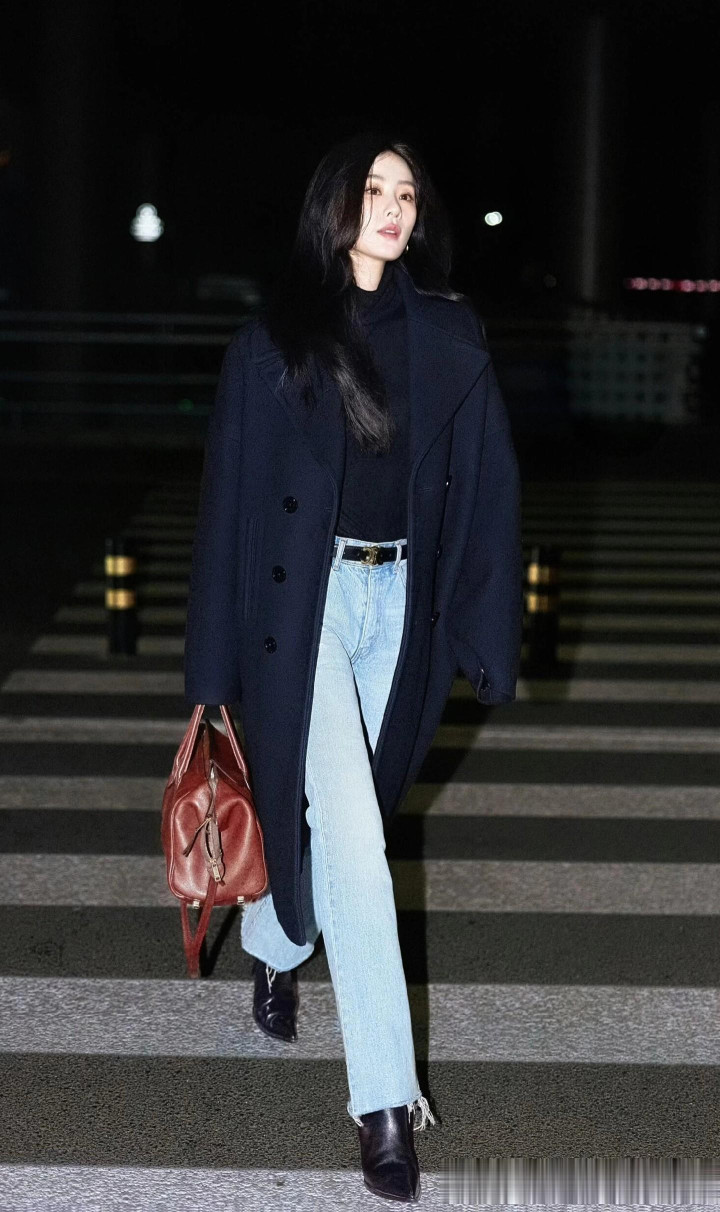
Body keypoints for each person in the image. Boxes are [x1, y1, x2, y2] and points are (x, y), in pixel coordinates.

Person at [183, 130, 524, 1204]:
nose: (392, 207)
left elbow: (489, 488)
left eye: (406, 193)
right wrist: (210, 679)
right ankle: (384, 1104)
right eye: (373, 189)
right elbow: (227, 510)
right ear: (333, 207)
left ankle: (274, 938)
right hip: (306, 611)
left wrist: (484, 632)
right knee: (361, 847)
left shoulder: (448, 334)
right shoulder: (272, 343)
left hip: (403, 606)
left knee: (342, 823)